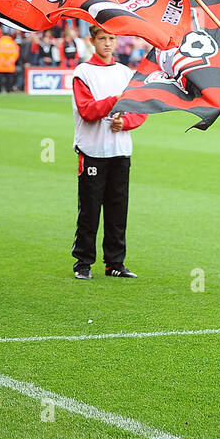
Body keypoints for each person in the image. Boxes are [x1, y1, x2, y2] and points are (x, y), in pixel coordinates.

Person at [71, 25, 146, 280]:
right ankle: (83, 262)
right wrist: (114, 101)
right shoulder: (83, 72)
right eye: (102, 38)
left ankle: (115, 262)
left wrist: (126, 122)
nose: (107, 43)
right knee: (89, 210)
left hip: (120, 150)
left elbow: (140, 108)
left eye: (111, 38)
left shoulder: (126, 73)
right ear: (92, 41)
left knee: (117, 210)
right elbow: (87, 110)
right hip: (92, 150)